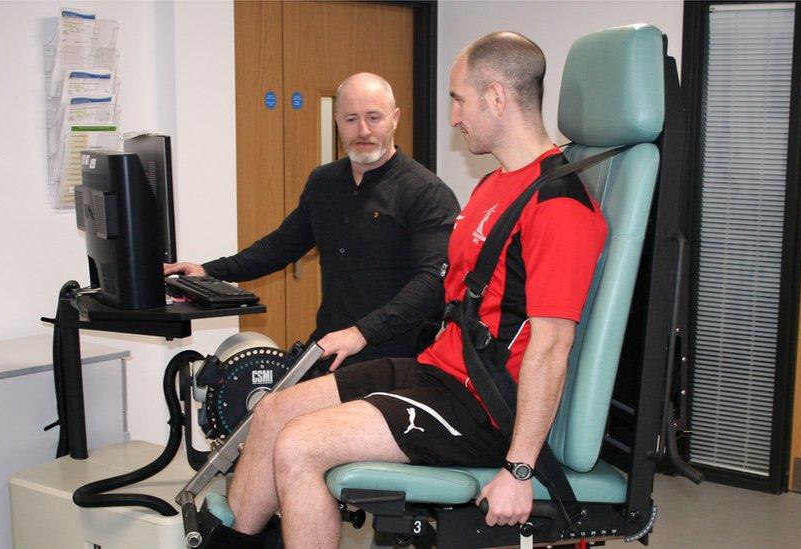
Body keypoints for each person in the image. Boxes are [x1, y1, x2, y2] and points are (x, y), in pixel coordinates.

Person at [224, 32, 608, 548]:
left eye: (459, 99)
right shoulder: (496, 185)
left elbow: (552, 345)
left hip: (484, 406)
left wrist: (518, 471)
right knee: (274, 411)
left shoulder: (558, 203)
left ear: (496, 97)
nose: (453, 117)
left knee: (299, 445)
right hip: (439, 370)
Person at [165, 73, 459, 369]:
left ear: (395, 118)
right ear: (336, 120)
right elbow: (279, 247)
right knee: (265, 407)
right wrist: (207, 271)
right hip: (330, 348)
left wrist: (362, 333)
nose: (364, 130)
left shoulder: (426, 192)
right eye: (351, 119)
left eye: (374, 117)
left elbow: (432, 282)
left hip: (397, 358)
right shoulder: (324, 182)